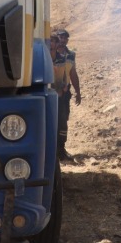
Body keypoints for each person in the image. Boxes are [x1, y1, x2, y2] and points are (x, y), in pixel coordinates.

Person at [49, 28, 81, 161]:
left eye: (64, 38)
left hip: (62, 94)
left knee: (63, 121)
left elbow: (71, 74)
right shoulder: (44, 55)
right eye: (59, 38)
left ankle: (60, 150)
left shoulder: (68, 56)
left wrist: (77, 91)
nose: (62, 41)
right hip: (48, 94)